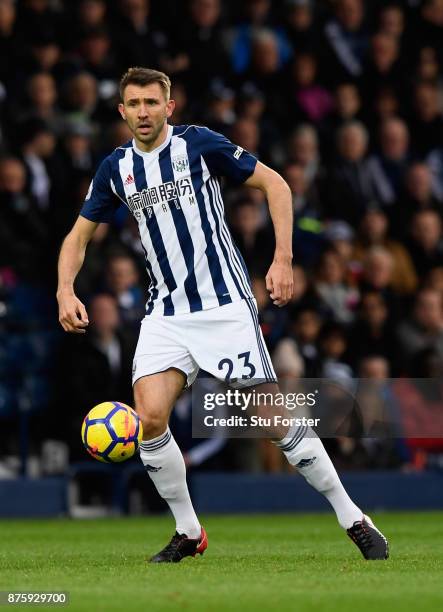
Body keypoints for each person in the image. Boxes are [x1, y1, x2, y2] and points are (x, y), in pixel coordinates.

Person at [56, 67, 388, 563]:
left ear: (169, 107)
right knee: (148, 417)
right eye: (133, 104)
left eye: (152, 102)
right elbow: (78, 237)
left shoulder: (199, 145)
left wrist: (282, 259)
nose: (143, 112)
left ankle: (352, 516)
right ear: (121, 111)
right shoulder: (116, 168)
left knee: (273, 419)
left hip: (224, 306)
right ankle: (188, 531)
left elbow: (276, 186)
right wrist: (64, 289)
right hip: (166, 312)